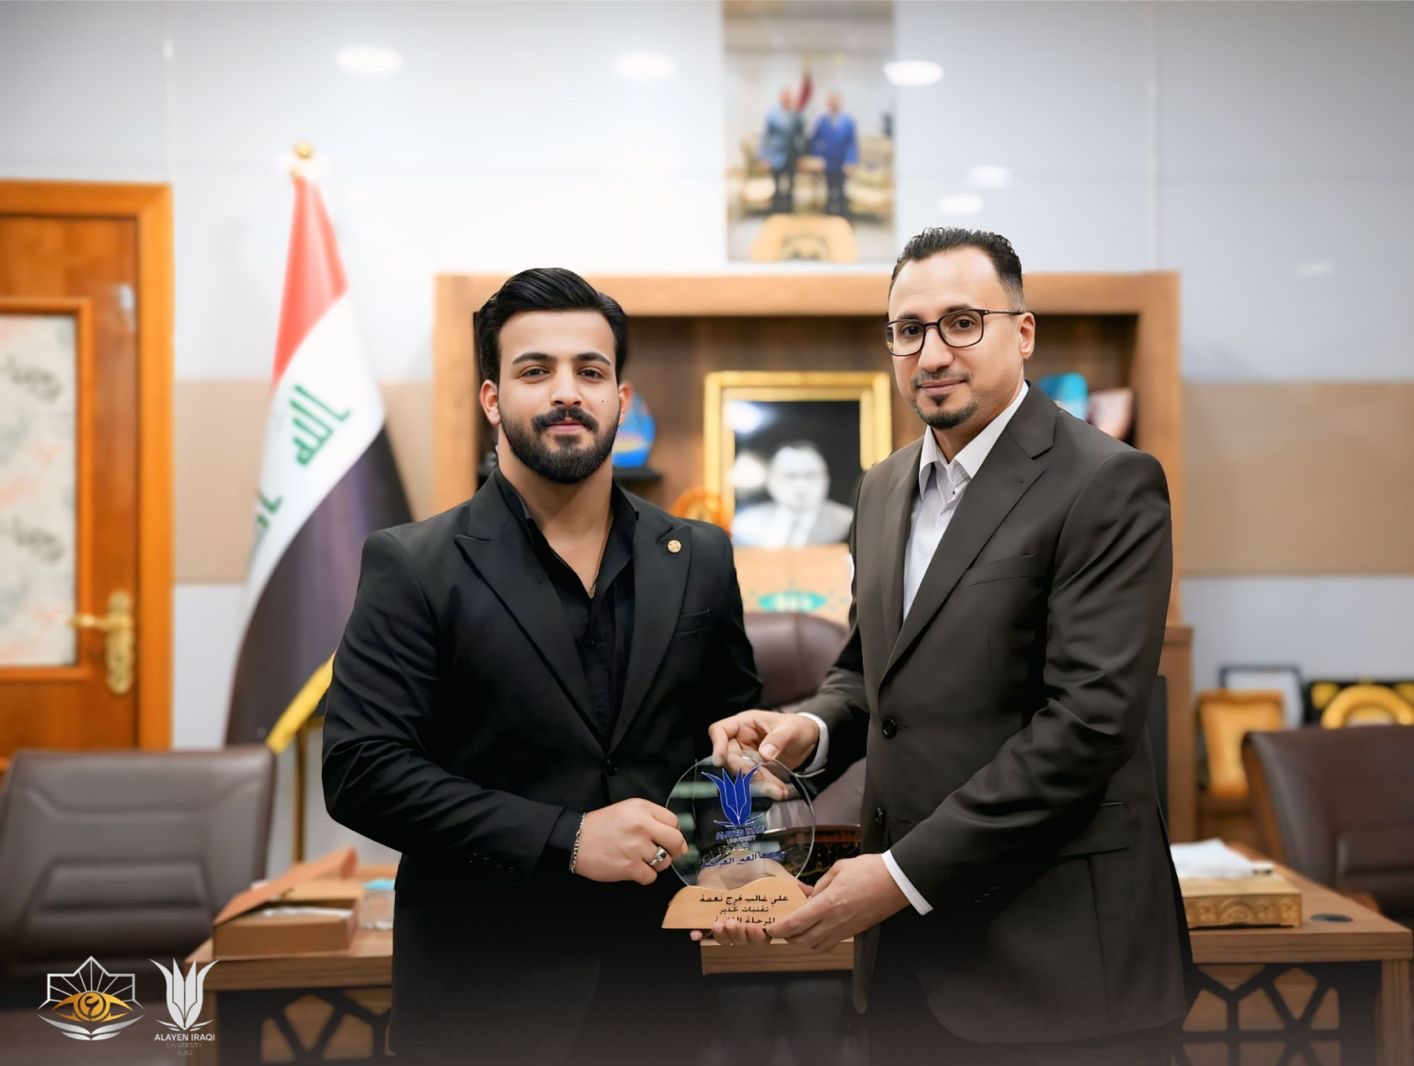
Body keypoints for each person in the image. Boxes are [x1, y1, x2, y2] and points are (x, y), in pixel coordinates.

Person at [706, 228, 1196, 1064]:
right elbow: (870, 673)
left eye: (962, 323)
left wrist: (899, 875)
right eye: (908, 330)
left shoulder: (1107, 482)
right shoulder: (881, 487)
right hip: (907, 965)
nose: (931, 353)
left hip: (1061, 971)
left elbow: (1088, 724)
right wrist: (808, 730)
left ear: (1023, 332)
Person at [321, 267, 762, 1064]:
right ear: (492, 398)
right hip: (481, 998)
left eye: (590, 372)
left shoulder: (699, 556)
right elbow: (363, 770)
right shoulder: (414, 564)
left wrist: (734, 857)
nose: (567, 392)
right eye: (536, 371)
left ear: (621, 398)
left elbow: (729, 746)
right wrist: (567, 838)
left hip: (657, 995)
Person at [730, 440, 855, 547]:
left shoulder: (848, 522)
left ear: (826, 480)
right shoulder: (745, 524)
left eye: (810, 475)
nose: (801, 486)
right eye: (790, 476)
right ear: (771, 481)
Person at [808, 91, 859, 216]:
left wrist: (850, 161)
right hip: (827, 162)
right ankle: (829, 215)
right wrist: (818, 157)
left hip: (843, 163)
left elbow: (851, 144)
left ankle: (843, 216)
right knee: (829, 190)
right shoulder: (822, 120)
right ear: (827, 103)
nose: (834, 104)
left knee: (841, 190)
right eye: (831, 101)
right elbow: (814, 141)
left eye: (836, 101)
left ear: (840, 102)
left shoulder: (848, 121)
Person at [759, 85, 803, 213]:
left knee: (791, 187)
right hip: (776, 157)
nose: (787, 98)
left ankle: (789, 211)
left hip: (792, 156)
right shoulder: (772, 115)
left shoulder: (796, 115)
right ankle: (776, 212)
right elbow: (766, 137)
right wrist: (765, 157)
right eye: (784, 96)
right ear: (780, 97)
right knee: (777, 186)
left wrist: (801, 156)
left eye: (789, 96)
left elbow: (801, 137)